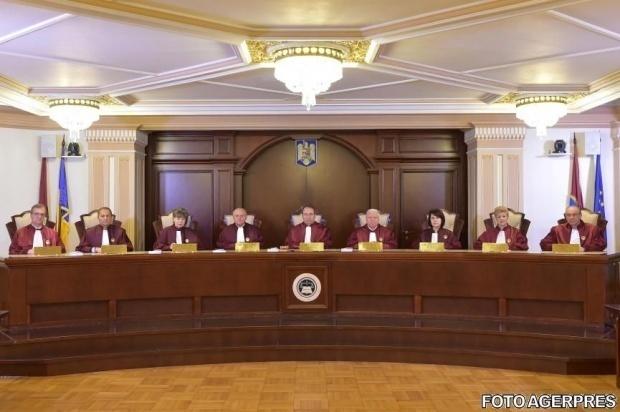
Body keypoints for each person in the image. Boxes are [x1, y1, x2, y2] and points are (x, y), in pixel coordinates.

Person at [540, 206, 606, 252]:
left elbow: (601, 245)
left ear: (580, 215)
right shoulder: (557, 229)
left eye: (574, 215)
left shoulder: (592, 229)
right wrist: (561, 248)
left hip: (586, 260)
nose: (571, 217)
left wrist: (585, 249)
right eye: (568, 215)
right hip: (563, 260)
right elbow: (544, 244)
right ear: (565, 216)